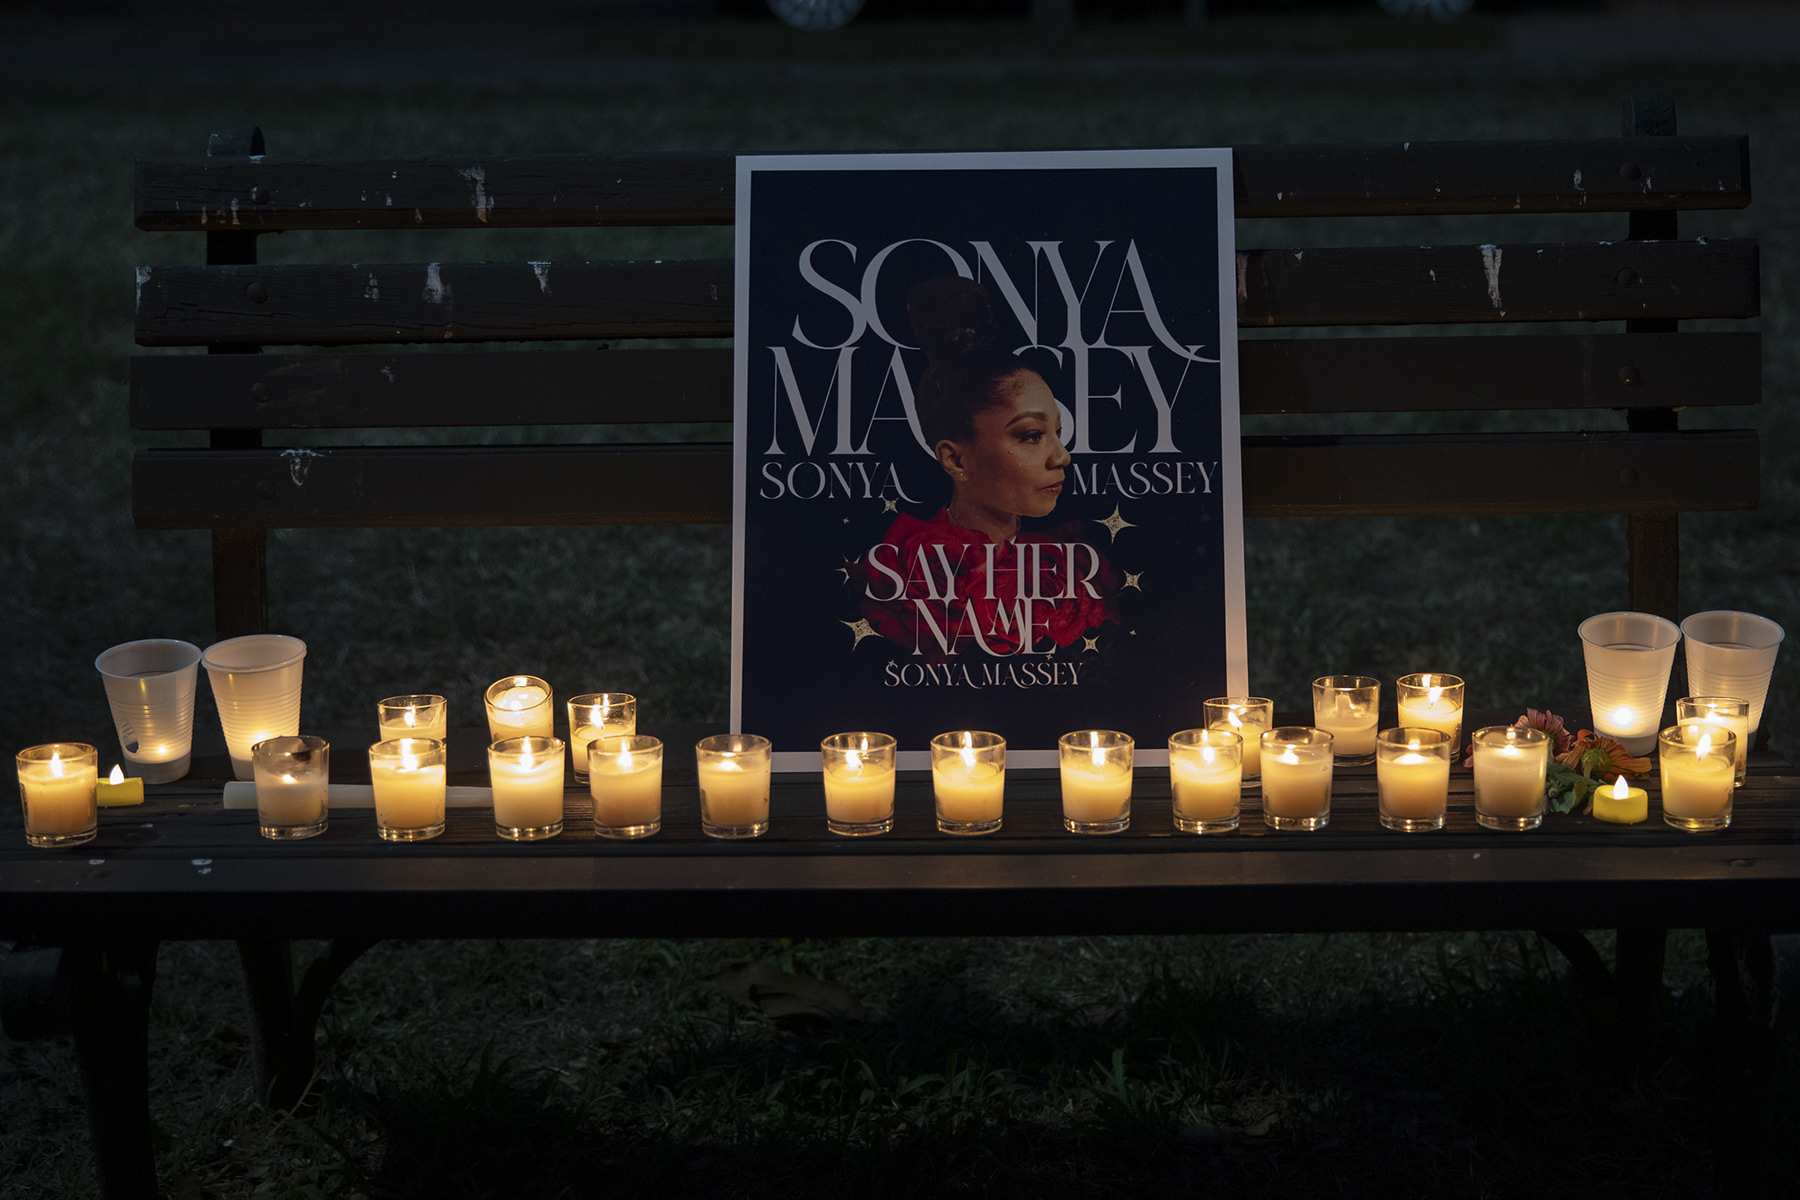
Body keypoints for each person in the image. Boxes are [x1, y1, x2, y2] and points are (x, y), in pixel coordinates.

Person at [853, 275, 1120, 660]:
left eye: (1057, 432)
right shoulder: (901, 575)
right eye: (1030, 435)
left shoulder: (1071, 566)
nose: (1062, 457)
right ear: (955, 459)